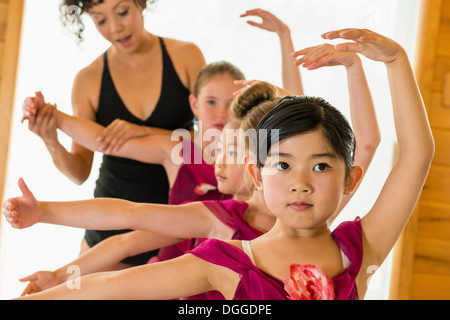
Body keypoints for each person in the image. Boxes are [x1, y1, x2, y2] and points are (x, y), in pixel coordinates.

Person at [5, 34, 394, 299]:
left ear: (255, 164)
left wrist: (351, 68)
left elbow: (363, 142)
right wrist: (46, 219)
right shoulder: (221, 218)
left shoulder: (316, 216)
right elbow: (129, 221)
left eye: (228, 152)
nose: (216, 162)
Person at [21, 0, 206, 267]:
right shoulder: (88, 80)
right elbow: (79, 172)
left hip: (175, 218)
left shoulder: (185, 56)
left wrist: (143, 131)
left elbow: (212, 144)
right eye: (100, 20)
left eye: (122, 12)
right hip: (110, 220)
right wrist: (51, 140)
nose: (116, 28)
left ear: (140, 4)